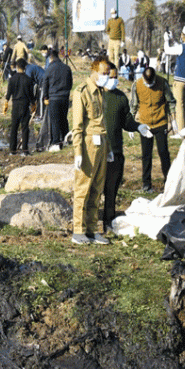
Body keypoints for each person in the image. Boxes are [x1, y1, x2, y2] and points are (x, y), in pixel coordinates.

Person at [102, 62, 153, 231]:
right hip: (99, 151)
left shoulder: (121, 97)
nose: (114, 80)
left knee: (112, 189)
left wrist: (138, 126)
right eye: (111, 77)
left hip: (116, 151)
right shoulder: (97, 96)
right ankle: (90, 222)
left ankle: (109, 221)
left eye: (116, 77)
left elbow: (126, 120)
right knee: (96, 189)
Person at [71, 57, 111, 244]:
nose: (106, 77)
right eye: (103, 74)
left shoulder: (102, 93)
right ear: (93, 71)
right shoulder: (82, 92)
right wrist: (78, 152)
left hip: (102, 143)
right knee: (83, 188)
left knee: (97, 188)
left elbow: (103, 123)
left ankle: (92, 229)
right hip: (88, 145)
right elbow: (77, 126)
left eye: (107, 74)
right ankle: (78, 230)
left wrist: (108, 147)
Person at [130, 67, 176, 192]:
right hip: (145, 124)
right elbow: (133, 105)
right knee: (146, 155)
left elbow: (171, 101)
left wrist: (174, 120)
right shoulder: (137, 85)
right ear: (143, 78)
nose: (149, 85)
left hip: (161, 122)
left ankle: (169, 182)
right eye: (147, 82)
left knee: (163, 153)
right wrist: (131, 125)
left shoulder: (162, 83)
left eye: (151, 83)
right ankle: (146, 184)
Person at [36, 50, 73, 152]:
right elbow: (70, 83)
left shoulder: (49, 68)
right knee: (64, 119)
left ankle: (56, 142)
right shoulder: (67, 68)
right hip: (65, 97)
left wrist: (45, 97)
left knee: (55, 121)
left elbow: (45, 84)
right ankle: (66, 139)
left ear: (50, 58)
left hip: (54, 98)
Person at [163, 26, 185, 131]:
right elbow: (180, 48)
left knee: (179, 107)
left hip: (179, 80)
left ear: (183, 35)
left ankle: (180, 131)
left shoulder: (182, 47)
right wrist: (172, 40)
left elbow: (167, 50)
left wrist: (166, 40)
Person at [4, 58, 36, 156]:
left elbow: (8, 93)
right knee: (25, 128)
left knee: (14, 128)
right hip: (25, 105)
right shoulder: (28, 79)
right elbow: (31, 95)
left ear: (17, 67)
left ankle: (12, 150)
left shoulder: (12, 79)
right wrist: (33, 104)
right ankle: (25, 151)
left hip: (15, 105)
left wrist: (5, 104)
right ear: (25, 67)